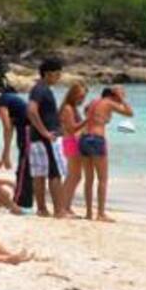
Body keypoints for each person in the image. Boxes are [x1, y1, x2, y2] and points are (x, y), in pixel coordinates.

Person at [79, 86, 134, 222]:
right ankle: (101, 214)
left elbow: (86, 110)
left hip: (84, 138)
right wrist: (121, 100)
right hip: (97, 139)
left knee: (89, 179)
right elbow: (130, 113)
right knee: (102, 179)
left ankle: (88, 213)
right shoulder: (109, 103)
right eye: (121, 94)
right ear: (114, 95)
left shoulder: (93, 102)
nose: (123, 97)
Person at [26, 59, 67, 217]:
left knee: (40, 173)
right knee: (54, 173)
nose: (59, 78)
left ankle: (42, 209)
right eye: (57, 74)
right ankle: (59, 210)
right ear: (48, 74)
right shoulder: (41, 89)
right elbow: (31, 110)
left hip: (37, 138)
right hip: (45, 138)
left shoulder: (38, 89)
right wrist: (45, 132)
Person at [55, 81, 88, 219]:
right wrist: (88, 120)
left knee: (75, 176)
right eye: (80, 96)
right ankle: (62, 207)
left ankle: (66, 206)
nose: (82, 99)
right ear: (73, 95)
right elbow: (71, 129)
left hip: (72, 142)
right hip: (70, 142)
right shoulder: (68, 108)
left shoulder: (72, 108)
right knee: (73, 176)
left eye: (84, 97)